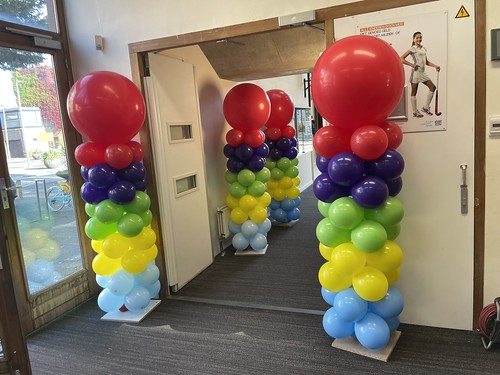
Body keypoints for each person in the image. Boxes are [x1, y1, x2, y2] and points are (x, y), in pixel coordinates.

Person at [401, 31, 440, 118]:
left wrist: (435, 66)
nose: (419, 39)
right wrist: (412, 65)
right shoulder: (412, 49)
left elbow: (426, 62)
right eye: (417, 37)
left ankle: (425, 107)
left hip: (422, 72)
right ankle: (415, 112)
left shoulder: (423, 48)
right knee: (414, 92)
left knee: (432, 87)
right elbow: (401, 58)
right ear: (414, 39)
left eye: (420, 37)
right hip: (415, 73)